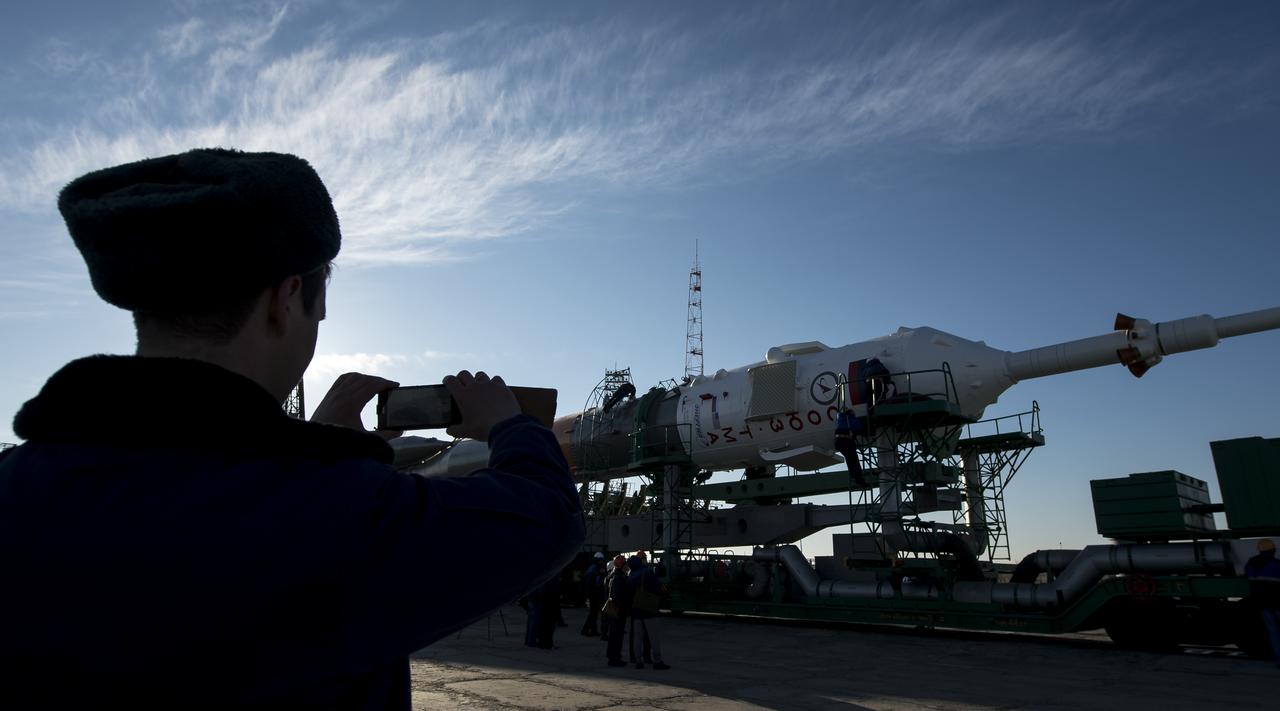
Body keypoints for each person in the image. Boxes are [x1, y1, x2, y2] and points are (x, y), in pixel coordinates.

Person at [0, 148, 585, 709]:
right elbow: (547, 517)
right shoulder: (348, 517)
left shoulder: (16, 486)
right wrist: (508, 425)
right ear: (287, 298)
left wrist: (321, 445)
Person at [627, 551, 670, 670]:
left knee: (637, 637)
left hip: (636, 610)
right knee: (653, 637)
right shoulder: (647, 572)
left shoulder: (630, 575)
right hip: (649, 609)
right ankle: (657, 661)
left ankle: (638, 660)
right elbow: (657, 587)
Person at [1245, 538, 1280, 668]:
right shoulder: (1276, 564)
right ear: (1273, 550)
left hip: (1263, 604)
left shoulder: (1251, 564)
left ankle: (1279, 660)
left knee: (1273, 633)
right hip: (1277, 603)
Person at [604, 554, 630, 667]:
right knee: (617, 636)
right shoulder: (619, 577)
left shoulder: (612, 575)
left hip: (613, 610)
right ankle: (615, 658)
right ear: (622, 565)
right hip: (618, 611)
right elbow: (619, 596)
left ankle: (612, 656)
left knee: (613, 634)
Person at [581, 552, 607, 637]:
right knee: (593, 613)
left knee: (593, 613)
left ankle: (591, 630)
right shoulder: (595, 569)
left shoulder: (592, 569)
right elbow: (594, 584)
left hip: (592, 594)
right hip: (593, 595)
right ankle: (587, 630)